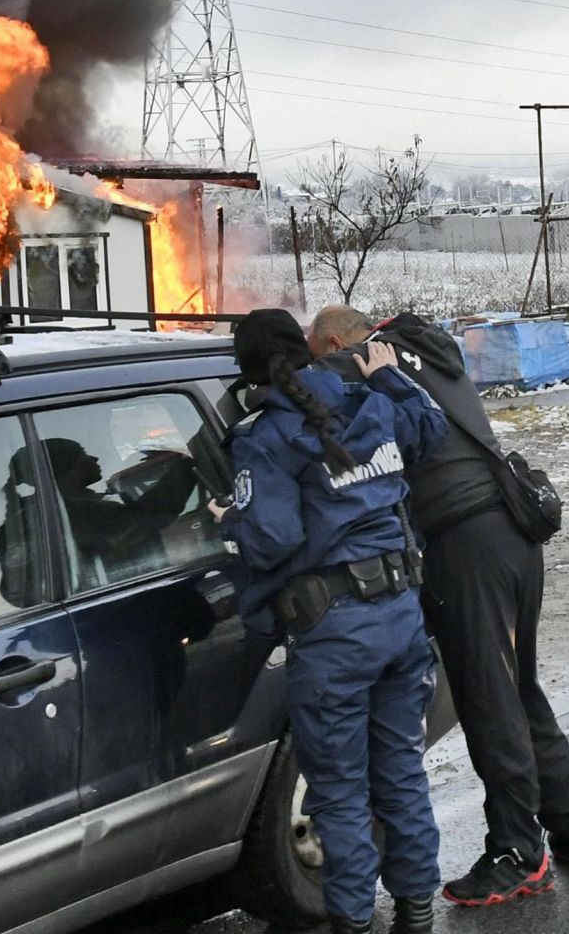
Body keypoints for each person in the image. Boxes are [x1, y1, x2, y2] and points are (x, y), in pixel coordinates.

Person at [310, 305, 569, 907]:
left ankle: (518, 855)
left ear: (339, 341)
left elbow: (309, 387)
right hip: (513, 529)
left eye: (323, 351)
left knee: (489, 699)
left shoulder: (365, 360)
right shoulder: (431, 349)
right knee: (518, 687)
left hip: (465, 543)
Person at [211, 308, 446, 934]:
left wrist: (226, 517)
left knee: (339, 788)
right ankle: (417, 910)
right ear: (307, 353)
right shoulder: (370, 401)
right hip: (401, 614)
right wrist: (392, 377)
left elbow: (271, 537)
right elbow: (430, 429)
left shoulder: (264, 437)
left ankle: (351, 921)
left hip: (336, 632)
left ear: (248, 372)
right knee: (399, 768)